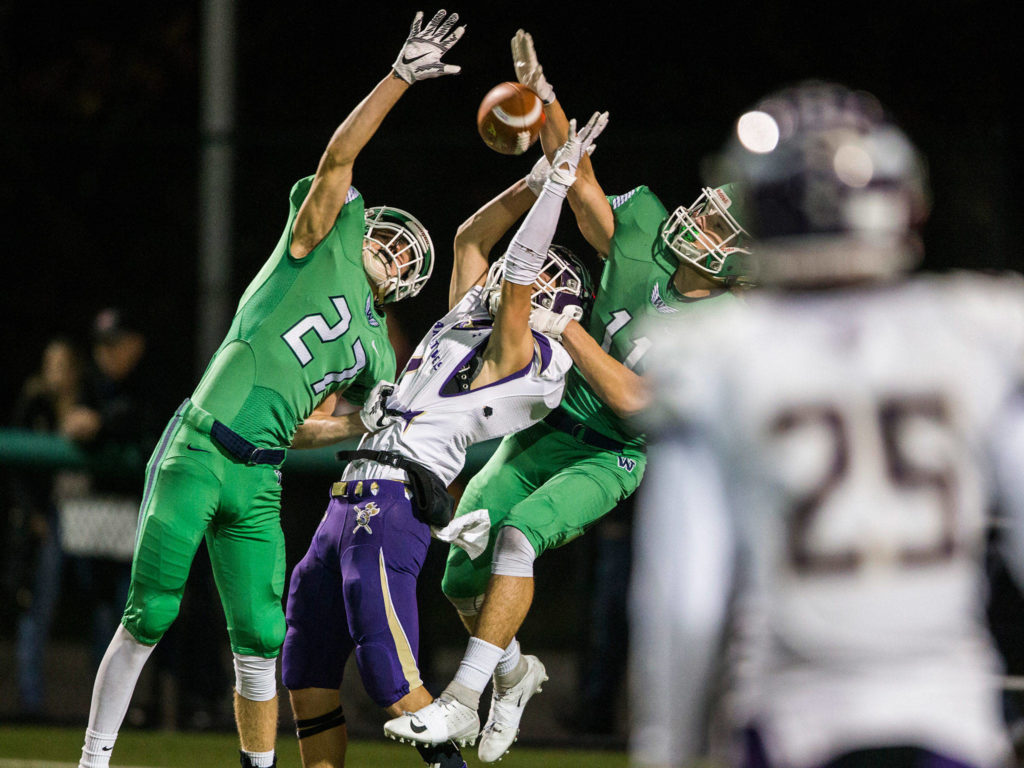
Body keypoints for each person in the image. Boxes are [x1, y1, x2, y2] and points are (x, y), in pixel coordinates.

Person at [77, 10, 463, 768]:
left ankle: (257, 767)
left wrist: (357, 426)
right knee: (149, 613)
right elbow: (338, 156)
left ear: (410, 283)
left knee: (258, 636)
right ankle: (93, 760)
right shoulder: (318, 242)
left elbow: (300, 429)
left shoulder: (375, 352)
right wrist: (397, 79)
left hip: (259, 477)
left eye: (399, 251)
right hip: (200, 446)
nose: (384, 246)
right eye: (382, 235)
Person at [384, 30, 754, 762]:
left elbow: (638, 403)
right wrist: (545, 98)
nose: (697, 218)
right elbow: (576, 177)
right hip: (547, 431)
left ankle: (461, 701)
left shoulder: (735, 327)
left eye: (716, 222)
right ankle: (515, 674)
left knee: (519, 535)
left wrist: (569, 329)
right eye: (706, 208)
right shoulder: (642, 235)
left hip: (616, 456)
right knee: (458, 569)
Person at [630, 81, 1024, 768]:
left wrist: (668, 746)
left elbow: (686, 598)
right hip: (949, 717)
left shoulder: (721, 351)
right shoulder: (974, 330)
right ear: (905, 202)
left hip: (797, 721)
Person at [282, 111, 606, 768]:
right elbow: (469, 240)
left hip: (390, 505)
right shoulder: (475, 320)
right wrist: (537, 176)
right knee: (308, 679)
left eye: (544, 276)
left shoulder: (530, 357)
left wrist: (555, 194)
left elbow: (516, 279)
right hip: (346, 498)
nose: (525, 275)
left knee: (396, 687)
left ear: (559, 310)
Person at [7, 337, 86, 718]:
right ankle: (30, 702)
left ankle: (102, 707)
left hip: (90, 517)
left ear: (74, 370)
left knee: (105, 605)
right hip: (48, 518)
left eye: (62, 364)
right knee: (36, 608)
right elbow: (18, 470)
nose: (55, 372)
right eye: (49, 364)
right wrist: (33, 513)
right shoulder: (34, 402)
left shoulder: (88, 403)